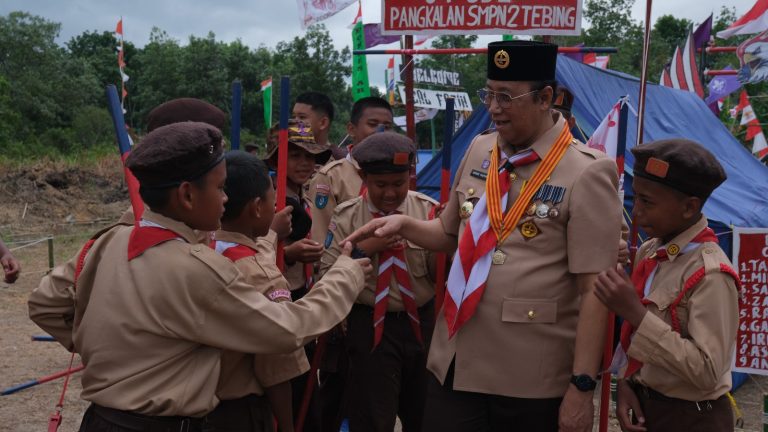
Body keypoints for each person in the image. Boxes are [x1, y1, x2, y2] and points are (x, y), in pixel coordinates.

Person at [344, 40, 623, 432]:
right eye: (489, 94)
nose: (493, 108)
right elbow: (449, 233)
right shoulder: (480, 149)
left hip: (529, 374)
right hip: (455, 360)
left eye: (506, 97)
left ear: (545, 98)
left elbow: (594, 289)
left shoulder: (587, 171)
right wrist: (404, 225)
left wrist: (582, 385)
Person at [28, 121, 372, 432]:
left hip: (100, 420)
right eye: (220, 188)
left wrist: (106, 349)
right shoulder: (197, 268)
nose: (226, 199)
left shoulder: (108, 241)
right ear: (187, 195)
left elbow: (45, 303)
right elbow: (286, 330)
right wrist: (345, 275)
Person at [594, 139, 739, 432]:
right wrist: (627, 382)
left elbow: (707, 371)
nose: (636, 212)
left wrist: (636, 314)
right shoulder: (650, 251)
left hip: (693, 418)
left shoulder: (711, 274)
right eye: (636, 198)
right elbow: (636, 342)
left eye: (647, 202)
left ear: (689, 207)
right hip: (649, 406)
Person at [320, 132, 438, 432]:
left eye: (399, 184)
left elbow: (441, 274)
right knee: (373, 416)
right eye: (380, 185)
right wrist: (369, 247)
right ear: (363, 178)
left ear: (410, 176)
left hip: (422, 323)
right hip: (369, 325)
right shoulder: (346, 217)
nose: (390, 193)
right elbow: (328, 273)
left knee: (425, 412)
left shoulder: (428, 211)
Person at [208, 151, 311, 432]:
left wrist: (271, 233)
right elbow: (276, 370)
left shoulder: (198, 247)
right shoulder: (265, 279)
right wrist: (287, 427)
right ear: (256, 207)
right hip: (239, 413)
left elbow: (250, 250)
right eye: (271, 199)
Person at [308, 97, 395, 246]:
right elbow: (321, 240)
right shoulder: (331, 177)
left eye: (387, 127)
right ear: (351, 129)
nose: (380, 132)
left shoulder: (400, 174)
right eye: (372, 124)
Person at [293, 91, 343, 161]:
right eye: (294, 117)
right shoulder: (285, 154)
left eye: (302, 117)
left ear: (323, 123)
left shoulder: (340, 161)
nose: (295, 122)